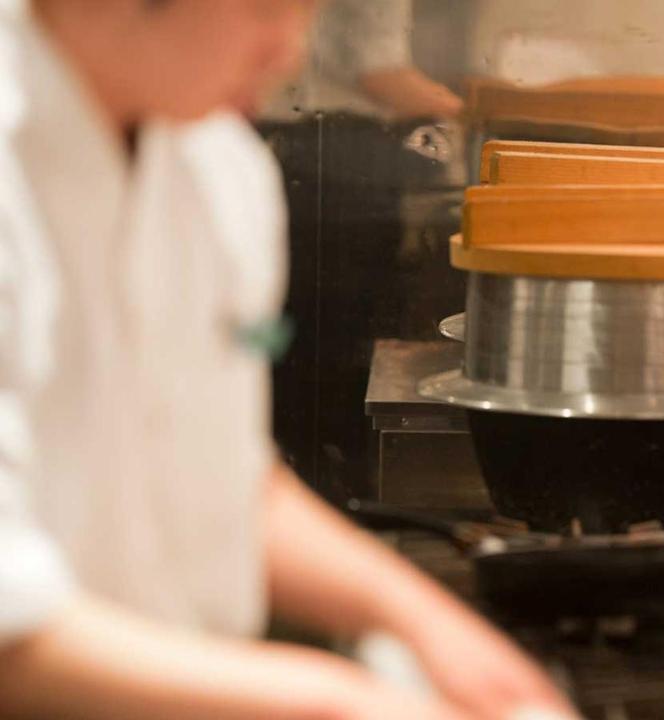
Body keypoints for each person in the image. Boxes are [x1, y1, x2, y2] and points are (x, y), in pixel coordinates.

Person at [0, 2, 574, 719]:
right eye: (267, 7)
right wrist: (340, 703)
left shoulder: (219, 168)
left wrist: (425, 624)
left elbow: (227, 477)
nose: (290, 53)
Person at [261, 0, 466, 492]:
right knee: (332, 330)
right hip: (336, 152)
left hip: (314, 150)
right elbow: (376, 70)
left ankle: (312, 470)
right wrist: (470, 109)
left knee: (312, 329)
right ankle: (327, 478)